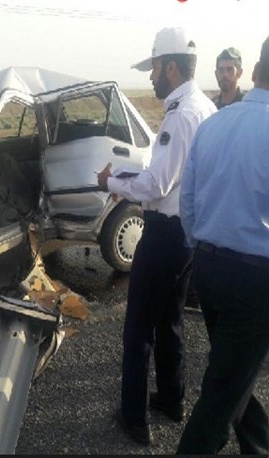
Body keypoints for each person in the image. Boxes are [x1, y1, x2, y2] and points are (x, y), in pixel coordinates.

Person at [96, 27, 216, 446]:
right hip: (189, 235)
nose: (150, 78)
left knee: (139, 329)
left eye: (153, 70)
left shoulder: (180, 114)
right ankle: (171, 400)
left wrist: (113, 182)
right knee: (171, 321)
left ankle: (134, 419)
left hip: (165, 235)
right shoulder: (205, 107)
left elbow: (156, 185)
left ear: (170, 67)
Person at [176, 35, 269, 455]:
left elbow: (188, 203)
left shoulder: (214, 124)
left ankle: (259, 444)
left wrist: (200, 248)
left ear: (253, 72)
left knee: (233, 372)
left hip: (210, 270)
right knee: (221, 392)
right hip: (255, 279)